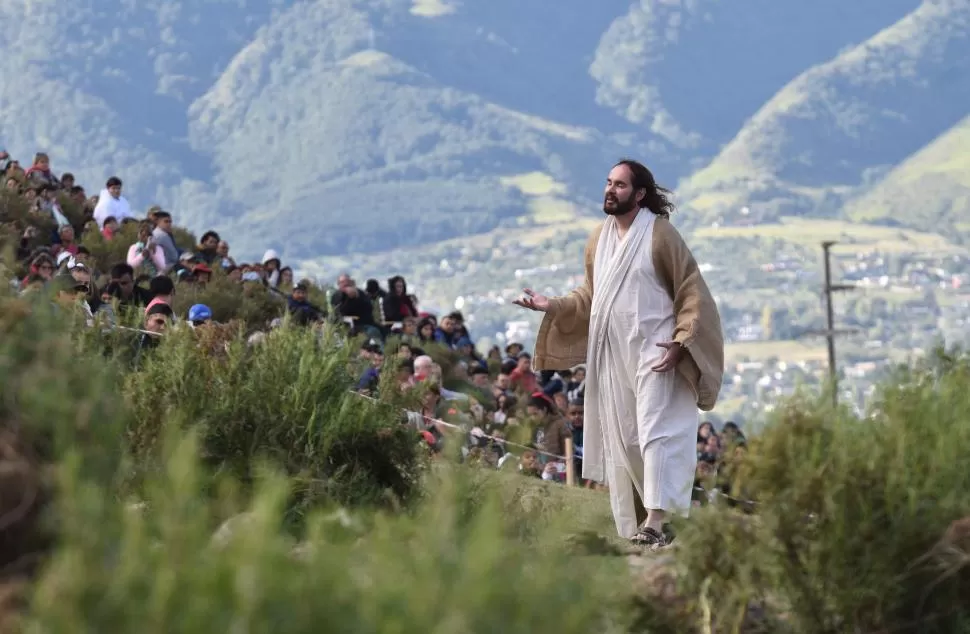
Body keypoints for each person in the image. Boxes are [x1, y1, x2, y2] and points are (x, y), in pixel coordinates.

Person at [513, 159, 724, 550]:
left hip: (657, 351)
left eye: (620, 185)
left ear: (640, 194)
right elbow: (591, 295)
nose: (610, 190)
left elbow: (691, 291)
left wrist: (681, 342)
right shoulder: (599, 238)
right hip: (613, 355)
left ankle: (656, 521)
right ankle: (655, 519)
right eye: (608, 182)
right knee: (627, 439)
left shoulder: (660, 234)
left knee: (657, 431)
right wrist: (552, 305)